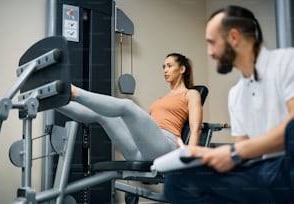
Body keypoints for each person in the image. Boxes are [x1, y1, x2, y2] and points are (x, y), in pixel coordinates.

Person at [164, 5, 294, 204]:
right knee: (178, 179)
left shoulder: (287, 61)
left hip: (287, 166)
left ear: (233, 38)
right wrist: (210, 154)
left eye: (212, 43)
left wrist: (235, 152)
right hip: (262, 174)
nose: (209, 52)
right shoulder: (236, 94)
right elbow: (243, 151)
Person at [57, 53, 203, 161]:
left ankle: (74, 92)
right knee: (104, 115)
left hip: (166, 148)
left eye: (169, 66)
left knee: (127, 106)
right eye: (163, 66)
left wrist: (188, 159)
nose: (165, 70)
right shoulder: (162, 99)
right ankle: (56, 102)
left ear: (182, 69)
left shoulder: (191, 94)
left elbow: (195, 128)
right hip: (141, 152)